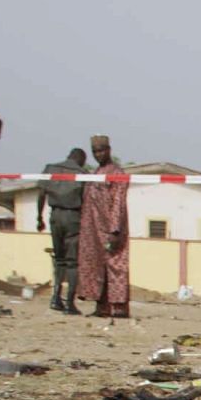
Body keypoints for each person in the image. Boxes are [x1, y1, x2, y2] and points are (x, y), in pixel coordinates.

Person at [77, 135, 130, 319]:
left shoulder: (117, 173)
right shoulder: (95, 174)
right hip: (92, 227)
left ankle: (119, 308)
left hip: (111, 227)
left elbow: (118, 203)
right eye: (95, 151)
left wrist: (115, 229)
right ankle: (102, 307)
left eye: (101, 150)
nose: (98, 154)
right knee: (95, 266)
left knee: (115, 266)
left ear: (109, 150)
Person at [35, 147, 87, 315]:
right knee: (72, 262)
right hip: (73, 218)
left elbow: (41, 194)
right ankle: (70, 303)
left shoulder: (51, 168)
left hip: (55, 216)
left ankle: (55, 298)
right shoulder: (83, 174)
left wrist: (39, 218)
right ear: (81, 160)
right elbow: (86, 201)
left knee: (59, 260)